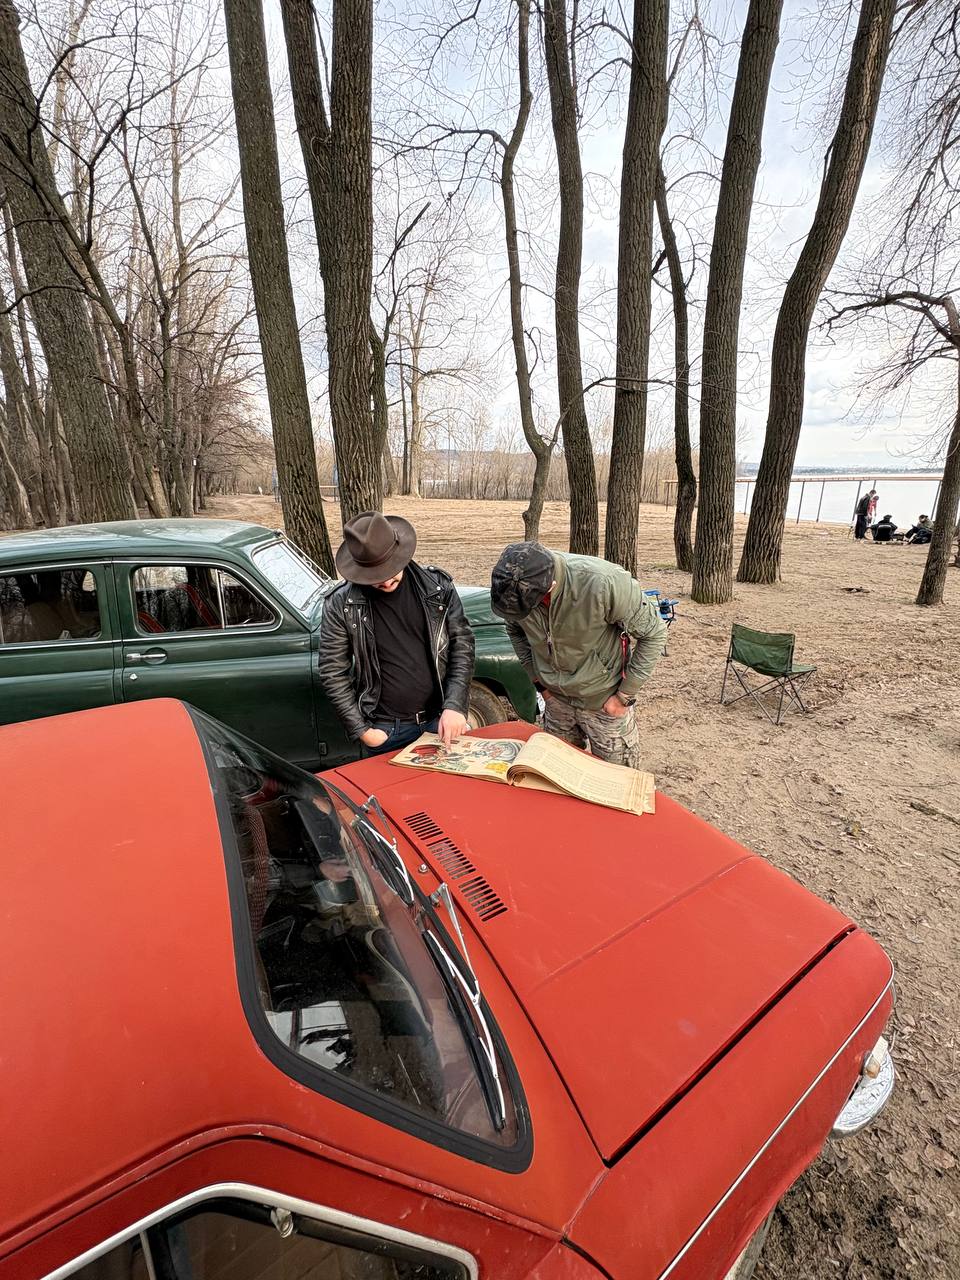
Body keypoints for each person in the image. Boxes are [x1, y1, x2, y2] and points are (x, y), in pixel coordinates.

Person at [489, 541, 667, 768]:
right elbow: (514, 630)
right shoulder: (512, 588)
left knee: (618, 782)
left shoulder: (603, 583)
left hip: (603, 704)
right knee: (556, 778)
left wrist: (624, 696)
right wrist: (539, 684)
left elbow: (654, 634)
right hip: (555, 702)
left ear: (551, 586)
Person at [318, 511, 475, 755]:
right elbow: (332, 671)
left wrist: (455, 706)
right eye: (374, 574)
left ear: (400, 553)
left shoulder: (438, 589)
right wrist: (363, 732)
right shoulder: (341, 603)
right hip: (384, 730)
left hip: (439, 720)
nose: (385, 579)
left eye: (389, 568)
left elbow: (462, 646)